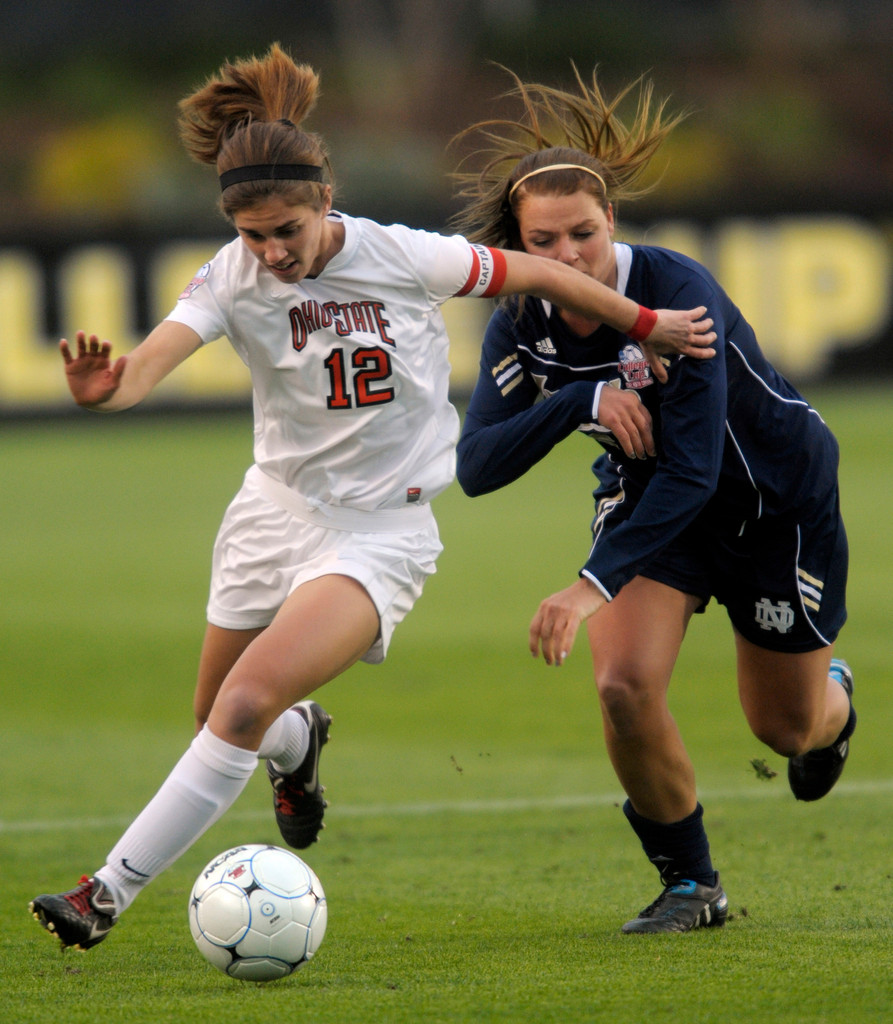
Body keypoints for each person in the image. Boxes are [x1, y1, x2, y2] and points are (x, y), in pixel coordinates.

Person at [28, 45, 715, 952]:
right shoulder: (230, 279)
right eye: (253, 236)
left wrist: (644, 322)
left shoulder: (402, 255)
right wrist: (104, 390)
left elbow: (543, 273)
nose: (273, 253)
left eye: (289, 231)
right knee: (224, 718)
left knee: (236, 710)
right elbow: (145, 366)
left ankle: (103, 894)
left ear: (325, 203)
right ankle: (299, 746)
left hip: (378, 532)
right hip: (270, 514)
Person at [452, 65, 855, 934]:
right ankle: (691, 887)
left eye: (582, 237)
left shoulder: (678, 294)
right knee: (623, 688)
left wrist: (585, 586)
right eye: (543, 243)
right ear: (518, 242)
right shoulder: (522, 321)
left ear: (613, 225)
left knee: (785, 733)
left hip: (768, 502)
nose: (565, 260)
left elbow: (697, 471)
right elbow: (477, 465)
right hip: (648, 503)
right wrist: (580, 401)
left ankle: (835, 703)